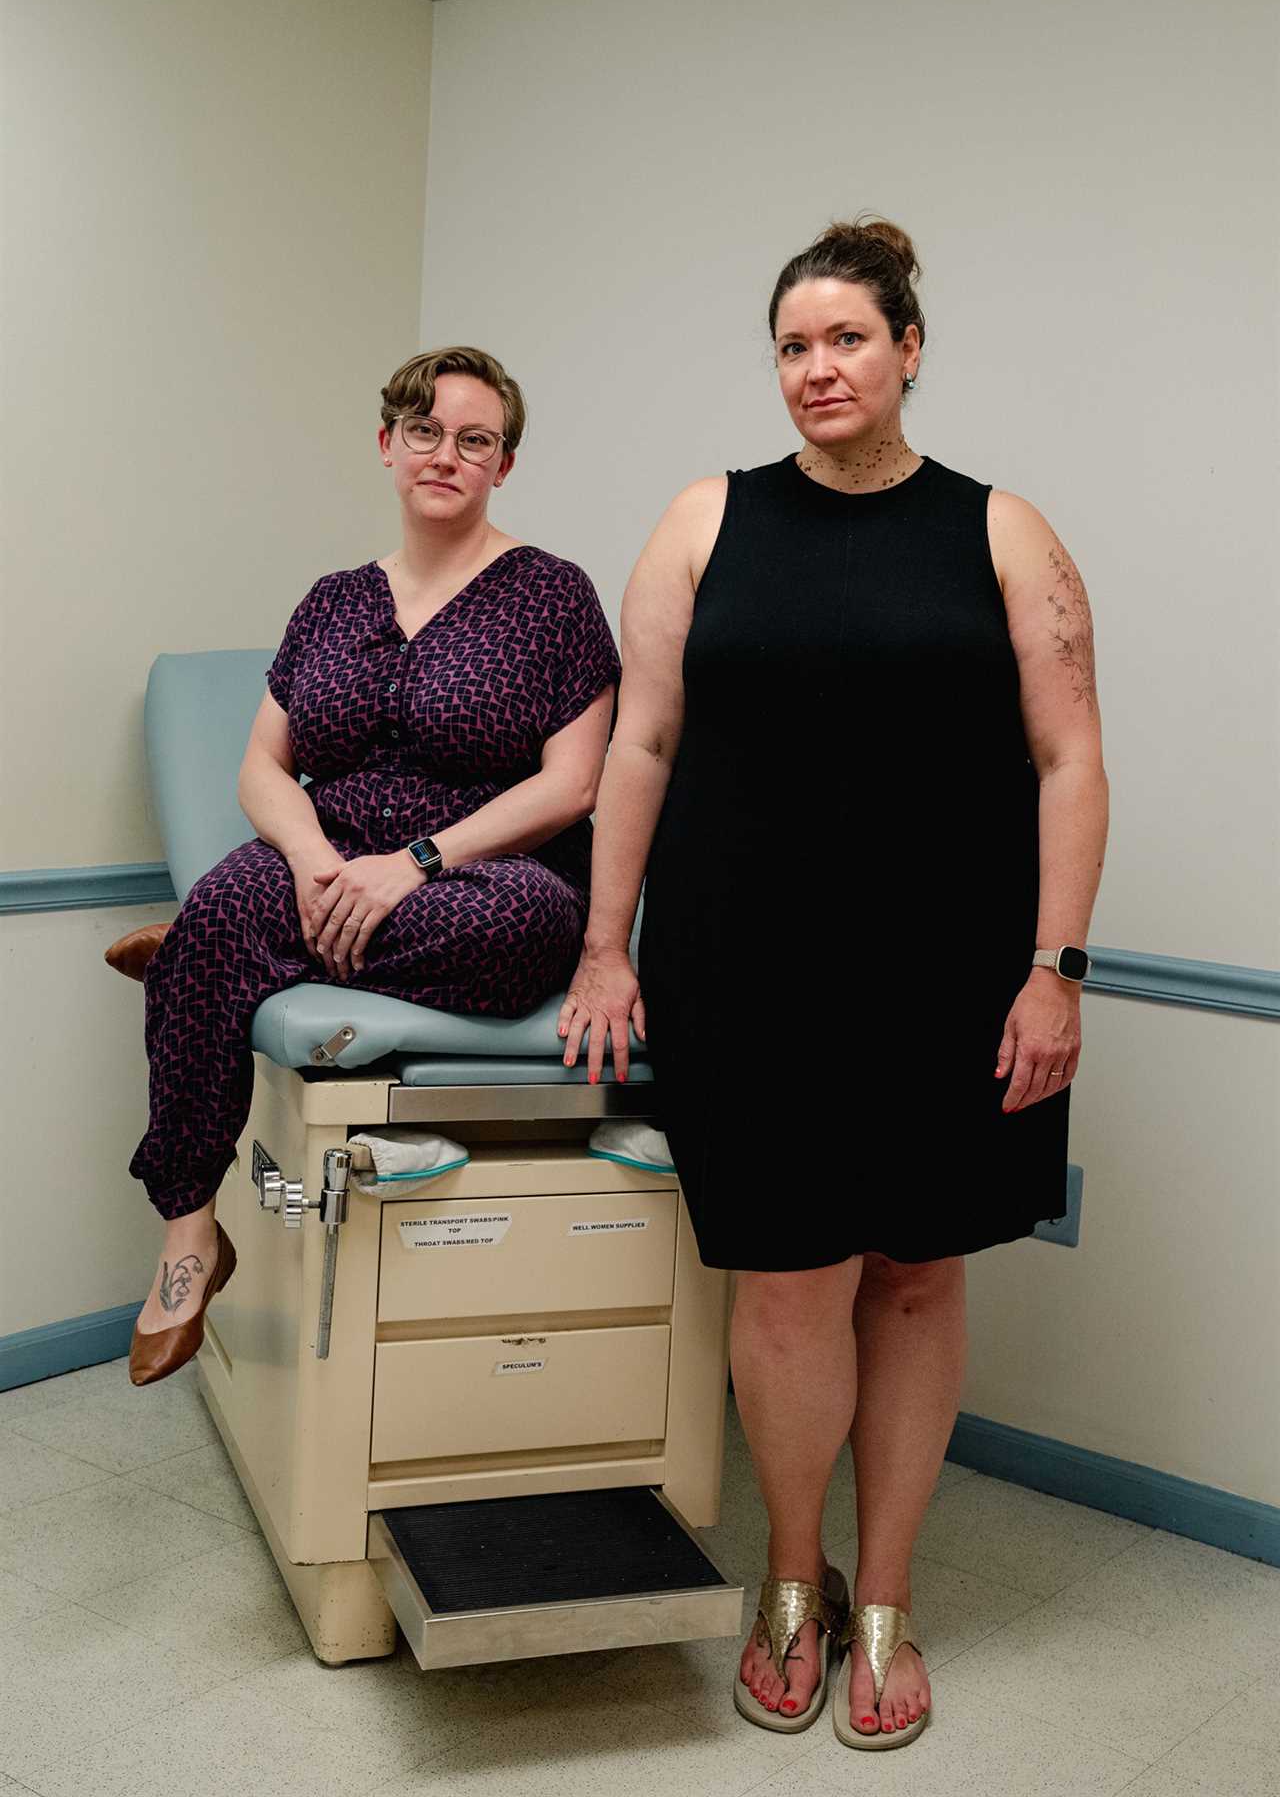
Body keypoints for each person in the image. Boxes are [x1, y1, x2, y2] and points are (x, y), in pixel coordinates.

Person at [559, 220, 1108, 1750]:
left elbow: (1070, 758)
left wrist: (1055, 972)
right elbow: (642, 748)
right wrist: (606, 945)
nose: (818, 368)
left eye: (848, 339)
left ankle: (887, 1597)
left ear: (910, 349)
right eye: (794, 345)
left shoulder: (1003, 530)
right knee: (790, 1279)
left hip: (954, 975)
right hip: (744, 964)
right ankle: (791, 1583)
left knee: (922, 1271)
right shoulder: (701, 523)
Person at [127, 346, 620, 1386]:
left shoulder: (553, 596)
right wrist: (309, 859)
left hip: (478, 880)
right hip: (324, 858)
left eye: (474, 439)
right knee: (233, 894)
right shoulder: (332, 600)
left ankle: (219, 954)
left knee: (522, 926)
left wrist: (418, 861)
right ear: (388, 446)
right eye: (426, 432)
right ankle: (186, 1234)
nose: (446, 453)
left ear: (504, 464)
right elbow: (263, 765)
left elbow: (573, 786)